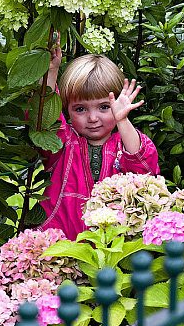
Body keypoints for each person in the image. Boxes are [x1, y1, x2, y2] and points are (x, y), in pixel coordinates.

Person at [37, 36, 159, 241]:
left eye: (104, 107)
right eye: (80, 109)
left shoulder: (124, 145)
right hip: (61, 247)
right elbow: (44, 121)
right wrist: (50, 73)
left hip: (114, 251)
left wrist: (123, 121)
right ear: (66, 109)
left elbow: (144, 167)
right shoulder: (63, 142)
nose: (93, 118)